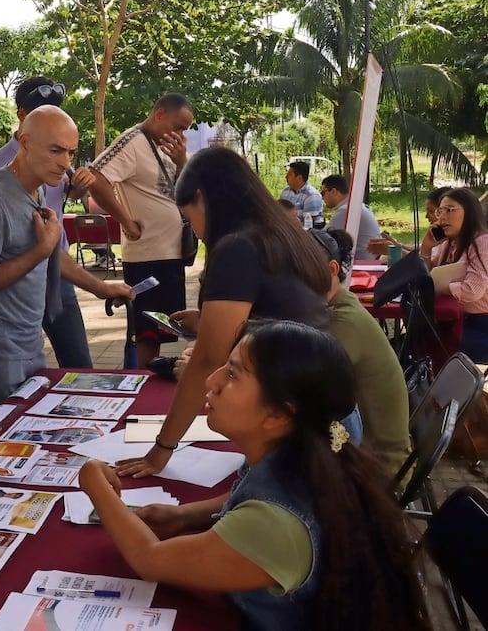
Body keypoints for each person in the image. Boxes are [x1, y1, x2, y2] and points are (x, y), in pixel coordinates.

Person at [79, 320, 430, 631]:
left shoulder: (277, 522)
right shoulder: (302, 456)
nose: (212, 380)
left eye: (233, 375)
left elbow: (149, 559)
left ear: (278, 414)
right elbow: (252, 494)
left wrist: (95, 482)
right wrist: (184, 515)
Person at [116, 147, 330, 478]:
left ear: (202, 198)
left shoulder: (237, 247)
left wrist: (162, 448)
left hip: (290, 425)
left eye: (189, 218)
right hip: (316, 409)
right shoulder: (282, 233)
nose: (195, 231)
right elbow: (274, 314)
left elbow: (206, 360)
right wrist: (205, 321)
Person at [0, 105, 133, 422]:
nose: (65, 163)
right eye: (55, 151)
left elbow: (53, 253)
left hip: (27, 340)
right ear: (25, 143)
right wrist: (42, 249)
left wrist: (100, 288)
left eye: (70, 152)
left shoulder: (37, 188)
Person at [72, 93, 193, 367]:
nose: (180, 134)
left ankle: (149, 382)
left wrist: (182, 161)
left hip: (171, 254)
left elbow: (185, 189)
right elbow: (96, 178)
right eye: (178, 126)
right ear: (159, 114)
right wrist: (125, 221)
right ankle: (138, 383)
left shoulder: (167, 147)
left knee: (162, 331)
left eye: (185, 130)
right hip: (147, 257)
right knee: (147, 334)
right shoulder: (132, 140)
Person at [0, 76, 94, 369]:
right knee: (13, 370)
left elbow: (60, 199)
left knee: (78, 363)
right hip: (19, 278)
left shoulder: (56, 161)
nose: (64, 160)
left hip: (58, 266)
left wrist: (78, 187)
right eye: (42, 112)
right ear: (23, 117)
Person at [311, 228, 411, 473]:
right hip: (367, 455)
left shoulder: (342, 323)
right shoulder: (338, 309)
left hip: (377, 469)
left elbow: (304, 395)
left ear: (332, 269)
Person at [429, 187, 488, 362]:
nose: (442, 217)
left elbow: (473, 290)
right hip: (456, 319)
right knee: (419, 336)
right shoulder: (449, 243)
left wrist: (442, 288)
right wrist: (426, 247)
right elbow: (429, 270)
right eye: (440, 211)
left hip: (481, 324)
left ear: (469, 211)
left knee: (428, 344)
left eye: (449, 210)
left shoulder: (482, 242)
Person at [367, 186, 450, 259]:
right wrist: (395, 244)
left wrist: (393, 250)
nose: (426, 216)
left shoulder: (448, 244)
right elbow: (419, 251)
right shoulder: (439, 240)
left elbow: (424, 263)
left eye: (431, 211)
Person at [320, 173, 380, 260]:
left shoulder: (346, 210)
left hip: (360, 262)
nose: (322, 198)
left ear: (333, 191)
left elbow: (321, 238)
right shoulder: (354, 206)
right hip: (369, 258)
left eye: (323, 193)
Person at [280, 160, 323, 227]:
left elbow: (308, 223)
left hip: (306, 231)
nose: (286, 177)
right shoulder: (285, 192)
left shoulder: (312, 196)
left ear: (299, 178)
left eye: (289, 174)